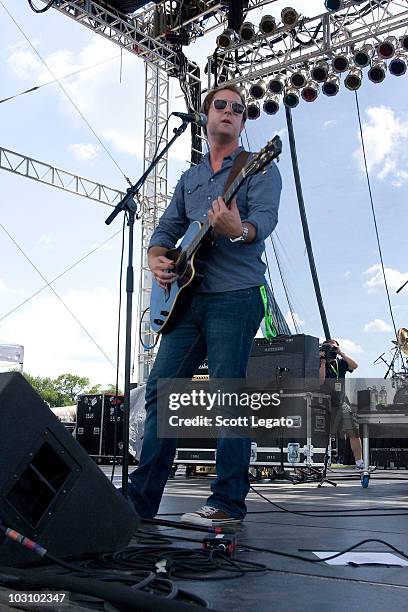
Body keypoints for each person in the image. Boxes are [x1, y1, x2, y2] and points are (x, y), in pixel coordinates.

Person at [125, 84, 282, 526]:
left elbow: (263, 223)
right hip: (185, 300)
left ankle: (227, 503)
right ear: (206, 114)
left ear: (243, 121)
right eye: (222, 106)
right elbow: (164, 232)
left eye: (239, 109)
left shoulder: (259, 167)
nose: (230, 112)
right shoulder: (191, 178)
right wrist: (159, 262)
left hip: (235, 294)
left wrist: (237, 228)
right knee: (160, 394)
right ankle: (138, 503)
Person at [319, 339, 364, 469]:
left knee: (353, 432)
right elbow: (320, 381)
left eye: (334, 348)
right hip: (324, 404)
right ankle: (321, 462)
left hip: (341, 403)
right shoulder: (318, 363)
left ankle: (359, 462)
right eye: (329, 348)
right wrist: (322, 361)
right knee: (321, 434)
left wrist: (340, 352)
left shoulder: (341, 363)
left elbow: (355, 366)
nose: (331, 351)